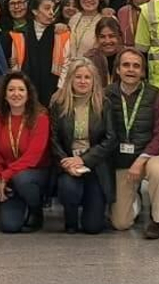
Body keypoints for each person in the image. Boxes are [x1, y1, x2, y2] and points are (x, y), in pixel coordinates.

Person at [106, 48, 159, 238]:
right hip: (120, 160)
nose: (131, 70)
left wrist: (141, 159)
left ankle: (157, 220)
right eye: (126, 65)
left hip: (148, 155)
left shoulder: (156, 96)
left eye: (136, 66)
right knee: (121, 224)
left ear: (142, 71)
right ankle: (134, 200)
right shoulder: (106, 95)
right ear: (118, 69)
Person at [48, 57, 116, 234]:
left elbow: (110, 139)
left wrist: (83, 160)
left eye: (87, 77)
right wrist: (67, 163)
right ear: (70, 79)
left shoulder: (104, 104)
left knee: (93, 228)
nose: (83, 81)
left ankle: (92, 208)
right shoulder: (59, 104)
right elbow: (53, 139)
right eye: (78, 77)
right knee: (69, 188)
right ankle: (70, 218)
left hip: (95, 164)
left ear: (94, 80)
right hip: (68, 163)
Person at [0, 71, 51, 234]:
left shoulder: (41, 118)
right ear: (4, 95)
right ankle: (18, 201)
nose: (16, 93)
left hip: (34, 174)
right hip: (8, 178)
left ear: (28, 94)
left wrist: (5, 176)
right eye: (11, 90)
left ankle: (36, 209)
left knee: (22, 179)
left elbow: (33, 157)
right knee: (10, 227)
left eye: (21, 90)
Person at [25, 0, 61, 107]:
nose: (51, 13)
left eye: (53, 9)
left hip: (53, 88)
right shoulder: (21, 33)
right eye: (47, 8)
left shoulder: (59, 33)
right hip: (27, 88)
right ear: (35, 11)